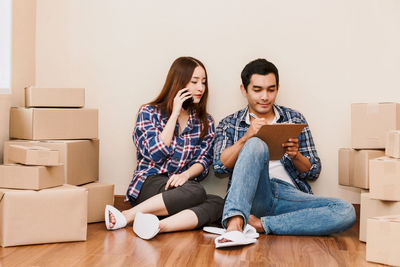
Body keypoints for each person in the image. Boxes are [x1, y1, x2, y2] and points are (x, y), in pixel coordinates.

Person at [213, 58, 355, 247]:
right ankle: (234, 226)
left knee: (345, 211)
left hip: (288, 195)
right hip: (254, 193)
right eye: (257, 90)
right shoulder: (230, 123)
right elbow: (219, 167)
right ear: (243, 90)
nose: (265, 96)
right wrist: (246, 138)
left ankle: (260, 224)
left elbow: (313, 171)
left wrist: (296, 156)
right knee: (256, 144)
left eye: (271, 90)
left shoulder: (294, 118)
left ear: (277, 89)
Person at [105, 56, 224, 240]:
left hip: (180, 188)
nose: (201, 88)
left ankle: (158, 226)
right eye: (194, 82)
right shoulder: (149, 112)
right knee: (196, 192)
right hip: (150, 183)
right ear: (178, 82)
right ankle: (128, 216)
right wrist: (175, 113)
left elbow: (203, 161)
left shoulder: (205, 121)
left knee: (219, 203)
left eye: (203, 82)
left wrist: (185, 175)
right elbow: (155, 152)